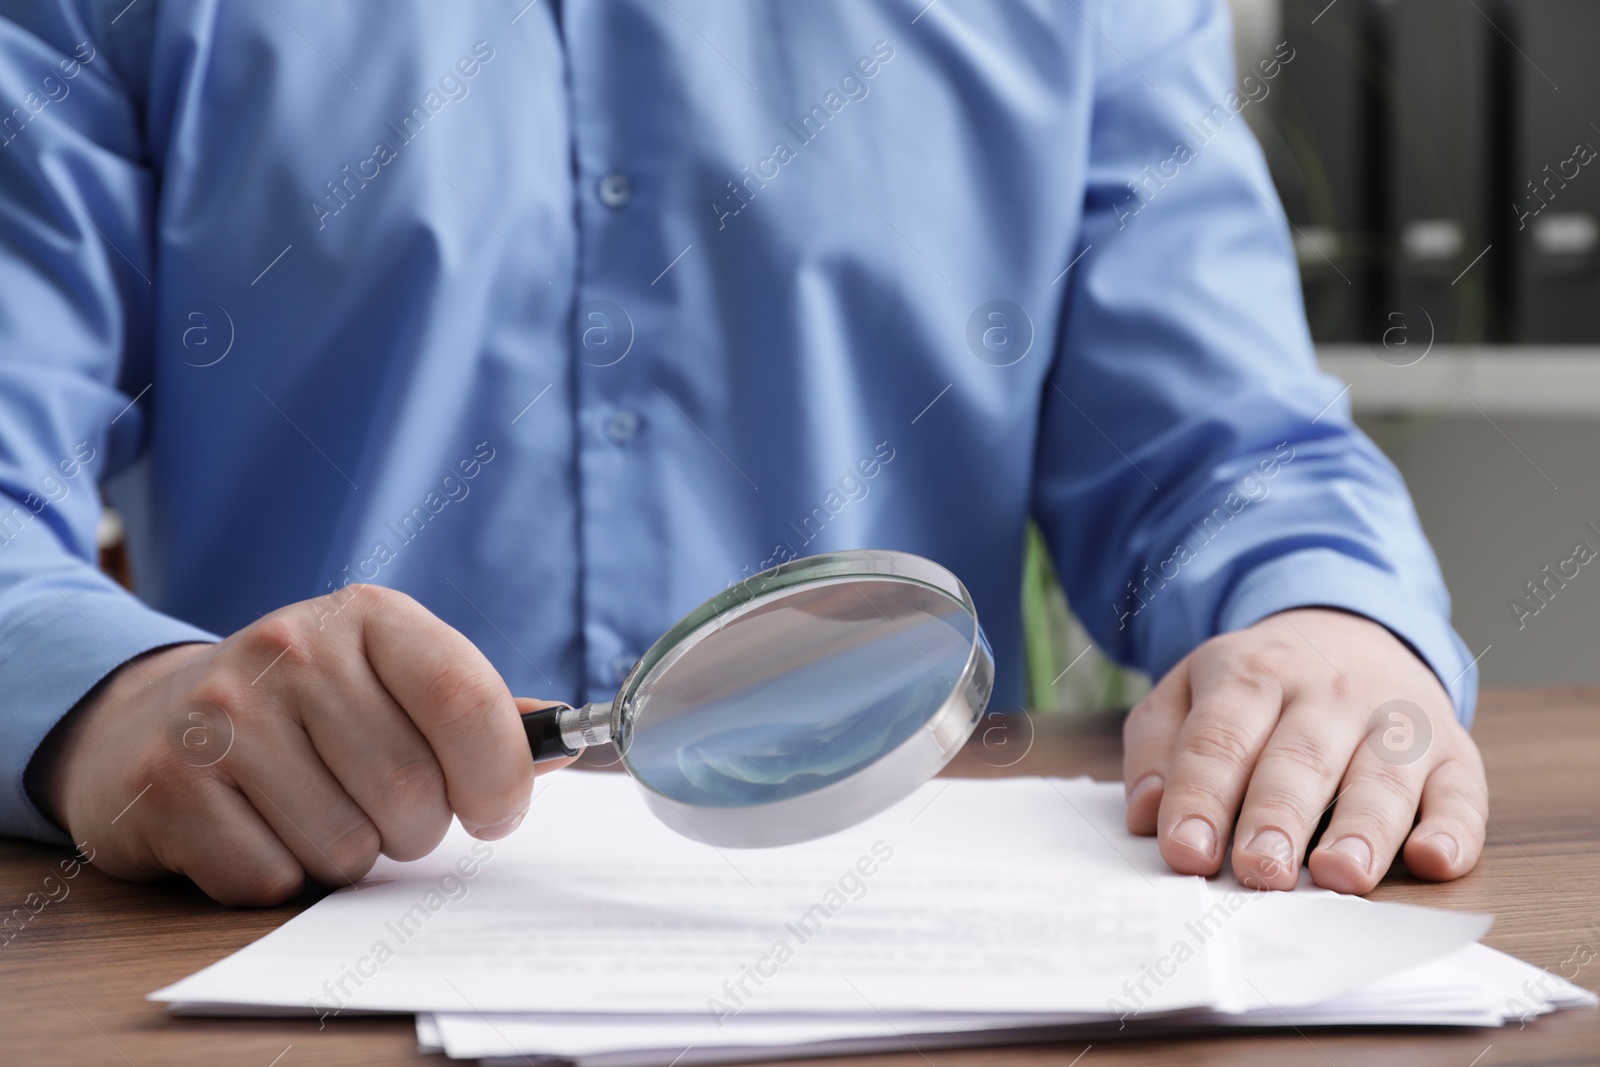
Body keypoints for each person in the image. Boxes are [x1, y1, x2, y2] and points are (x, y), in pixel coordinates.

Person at [0, 0, 1484, 906]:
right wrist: (105, 702)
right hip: (293, 930)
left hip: (913, 967)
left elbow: (1223, 456)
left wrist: (1325, 624)